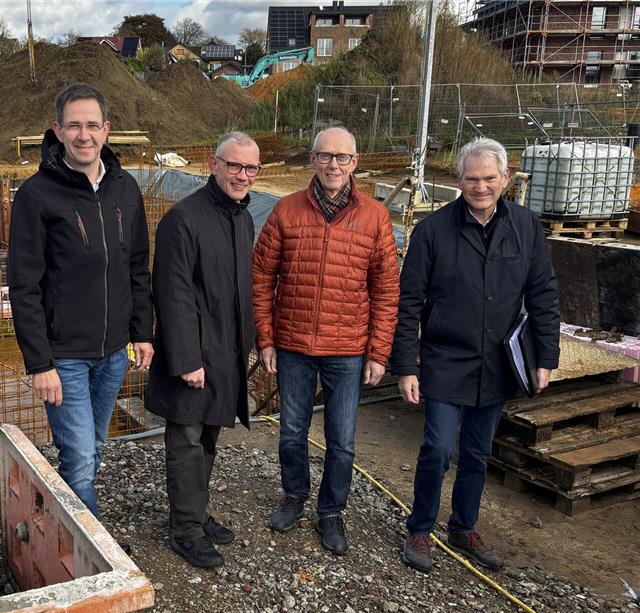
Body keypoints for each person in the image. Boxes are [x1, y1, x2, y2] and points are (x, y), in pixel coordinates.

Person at [391, 137, 559, 573]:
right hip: (446, 359)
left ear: (505, 178)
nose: (480, 187)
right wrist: (406, 367)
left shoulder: (525, 227)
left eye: (488, 178)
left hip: (498, 362)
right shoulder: (433, 231)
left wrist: (546, 357)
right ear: (458, 180)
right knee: (438, 448)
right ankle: (420, 528)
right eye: (471, 179)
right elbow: (408, 303)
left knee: (478, 452)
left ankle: (463, 527)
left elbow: (543, 294)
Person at [7, 83, 153, 525]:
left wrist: (142, 332)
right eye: (74, 126)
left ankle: (62, 526)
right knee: (82, 453)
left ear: (107, 130)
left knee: (93, 446)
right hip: (64, 356)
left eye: (92, 125)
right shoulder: (37, 196)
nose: (83, 135)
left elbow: (137, 267)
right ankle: (89, 549)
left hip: (112, 353)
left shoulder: (125, 189)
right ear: (58, 130)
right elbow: (24, 286)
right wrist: (40, 364)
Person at [252, 127, 400, 556]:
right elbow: (261, 277)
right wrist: (266, 338)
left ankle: (331, 511)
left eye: (342, 157)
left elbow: (386, 290)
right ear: (312, 160)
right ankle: (294, 495)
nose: (333, 165)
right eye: (325, 156)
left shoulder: (374, 217)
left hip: (348, 349)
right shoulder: (286, 210)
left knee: (343, 440)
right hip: (293, 344)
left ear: (355, 162)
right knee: (291, 431)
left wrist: (378, 352)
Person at [146, 131, 260, 569]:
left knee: (209, 433)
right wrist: (187, 360)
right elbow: (172, 294)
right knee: (187, 440)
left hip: (225, 351)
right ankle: (185, 530)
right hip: (194, 355)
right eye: (234, 165)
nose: (242, 175)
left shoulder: (242, 218)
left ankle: (195, 512)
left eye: (251, 168)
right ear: (214, 165)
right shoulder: (183, 219)